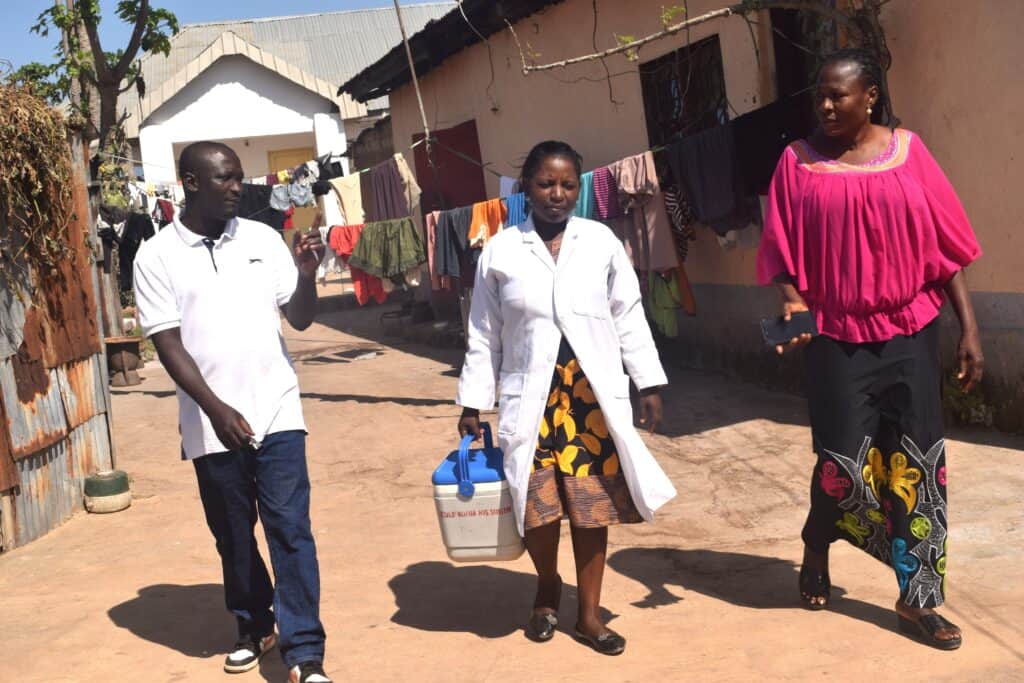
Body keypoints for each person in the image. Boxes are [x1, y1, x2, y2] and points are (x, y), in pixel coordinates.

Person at [757, 49, 983, 650]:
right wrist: (792, 299)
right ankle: (817, 539)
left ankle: (920, 600)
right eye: (820, 96)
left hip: (911, 332)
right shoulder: (797, 164)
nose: (827, 106)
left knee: (917, 467)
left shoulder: (910, 154)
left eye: (840, 95)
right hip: (835, 336)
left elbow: (947, 247)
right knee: (843, 466)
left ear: (870, 97)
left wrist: (969, 329)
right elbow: (780, 248)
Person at [456, 141, 677, 655]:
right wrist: (472, 402)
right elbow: (483, 332)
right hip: (528, 397)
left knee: (589, 506)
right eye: (545, 184)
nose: (557, 194)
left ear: (578, 188)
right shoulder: (502, 251)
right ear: (524, 188)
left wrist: (648, 382)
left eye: (567, 184)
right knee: (537, 506)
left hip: (589, 401)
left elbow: (628, 314)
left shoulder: (600, 241)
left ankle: (591, 614)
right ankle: (547, 585)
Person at [133, 141, 333, 683]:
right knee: (234, 535)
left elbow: (301, 318)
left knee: (290, 530)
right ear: (190, 184)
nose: (237, 186)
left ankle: (304, 653)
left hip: (278, 410)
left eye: (239, 177)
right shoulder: (156, 255)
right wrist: (217, 409)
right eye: (224, 178)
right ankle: (255, 625)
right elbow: (167, 343)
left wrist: (308, 273)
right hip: (210, 421)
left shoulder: (263, 239)